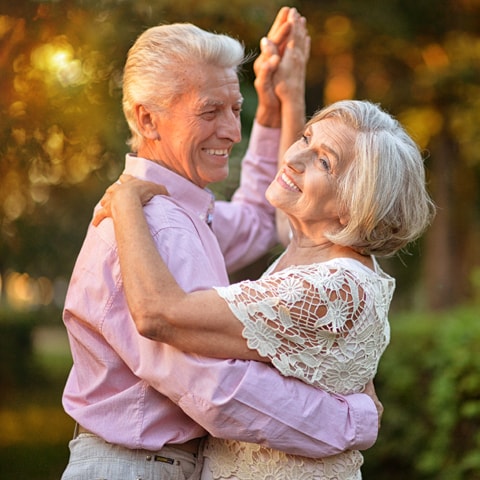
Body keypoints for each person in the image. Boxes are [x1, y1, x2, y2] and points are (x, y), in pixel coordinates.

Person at [61, 8, 382, 480]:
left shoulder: (184, 210)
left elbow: (259, 219)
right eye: (210, 112)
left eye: (235, 109)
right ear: (147, 119)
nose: (232, 131)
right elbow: (216, 389)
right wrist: (355, 417)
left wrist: (272, 108)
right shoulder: (160, 226)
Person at [94, 99, 436, 479]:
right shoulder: (307, 255)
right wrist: (288, 94)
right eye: (306, 137)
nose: (294, 157)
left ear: (356, 203)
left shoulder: (333, 287)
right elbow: (280, 207)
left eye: (324, 161)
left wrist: (125, 202)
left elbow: (159, 313)